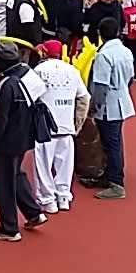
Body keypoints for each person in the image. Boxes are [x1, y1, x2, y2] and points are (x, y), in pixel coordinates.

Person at [0, 41, 47, 242]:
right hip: (25, 135)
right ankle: (33, 212)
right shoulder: (27, 73)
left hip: (8, 141)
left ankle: (9, 228)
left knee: (3, 183)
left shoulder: (6, 84)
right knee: (16, 174)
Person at [32, 40, 90, 213]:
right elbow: (84, 97)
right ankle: (63, 197)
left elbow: (30, 95)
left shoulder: (39, 71)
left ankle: (47, 200)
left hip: (45, 128)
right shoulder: (72, 70)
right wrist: (78, 122)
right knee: (65, 164)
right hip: (66, 126)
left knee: (43, 165)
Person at [88, 17, 135, 199]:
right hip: (122, 101)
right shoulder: (125, 51)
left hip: (109, 106)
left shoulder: (104, 55)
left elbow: (101, 86)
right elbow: (130, 78)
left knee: (110, 144)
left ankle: (116, 182)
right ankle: (111, 175)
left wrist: (93, 107)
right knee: (114, 141)